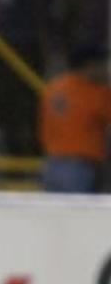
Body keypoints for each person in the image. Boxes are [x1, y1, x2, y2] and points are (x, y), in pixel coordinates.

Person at [39, 45, 111, 193]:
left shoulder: (54, 87)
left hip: (52, 164)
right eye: (102, 64)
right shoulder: (94, 92)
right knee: (78, 214)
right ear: (90, 66)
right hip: (80, 167)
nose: (105, 70)